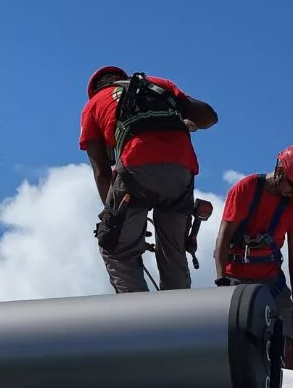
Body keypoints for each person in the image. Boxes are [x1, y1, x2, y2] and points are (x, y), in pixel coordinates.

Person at [79, 66, 218, 293]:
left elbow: (102, 172)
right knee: (173, 252)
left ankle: (138, 320)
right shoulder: (158, 84)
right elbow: (209, 117)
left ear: (96, 89)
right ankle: (178, 314)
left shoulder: (94, 104)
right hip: (180, 169)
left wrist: (115, 220)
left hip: (136, 170)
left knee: (116, 249)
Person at [212, 145, 293, 370]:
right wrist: (221, 282)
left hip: (271, 282)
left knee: (286, 345)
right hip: (236, 279)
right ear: (279, 171)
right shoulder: (246, 189)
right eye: (292, 184)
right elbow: (223, 237)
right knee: (239, 344)